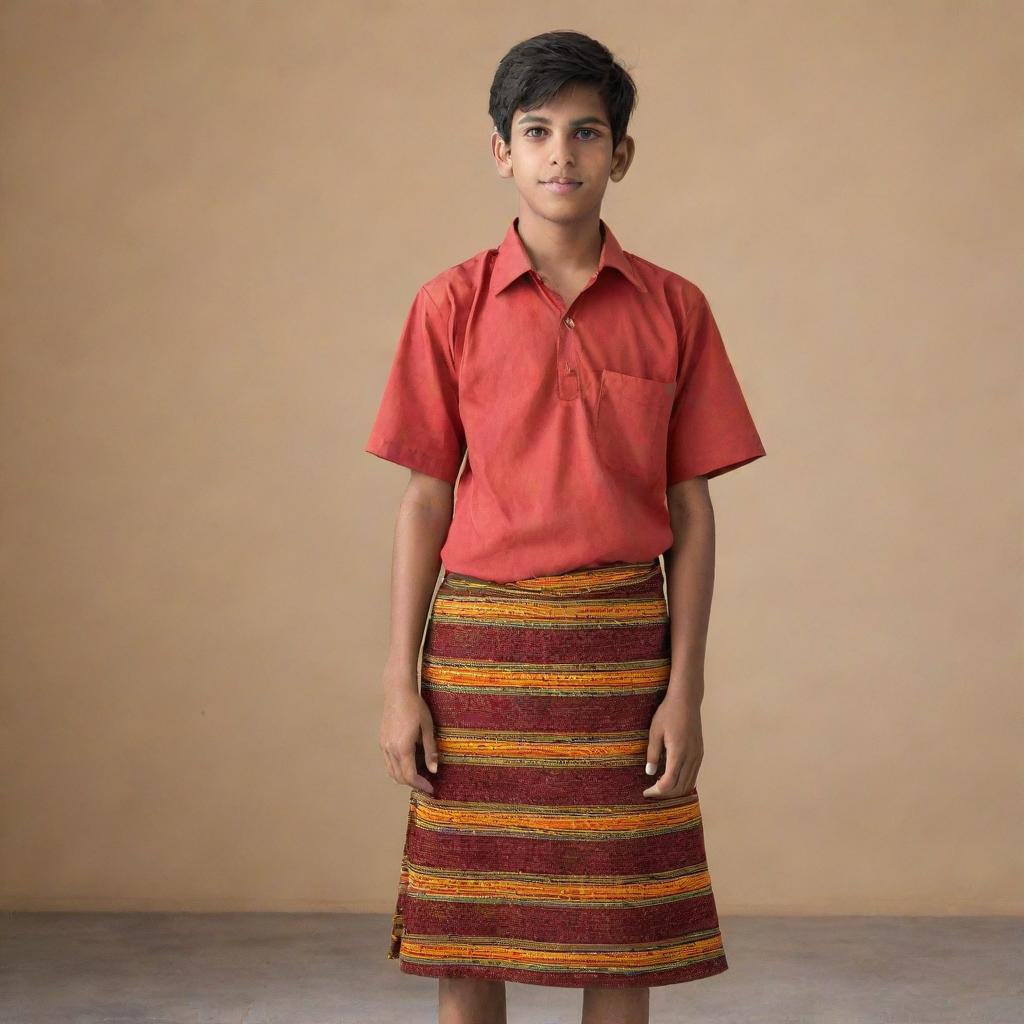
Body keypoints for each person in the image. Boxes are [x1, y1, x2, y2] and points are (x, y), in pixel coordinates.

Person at [364, 29, 766, 1024]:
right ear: (500, 150)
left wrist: (686, 691)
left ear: (619, 154)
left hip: (621, 656)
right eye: (536, 131)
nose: (561, 154)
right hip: (477, 660)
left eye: (586, 133)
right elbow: (425, 499)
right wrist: (396, 683)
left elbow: (690, 509)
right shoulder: (448, 306)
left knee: (620, 941)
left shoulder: (675, 308)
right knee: (468, 941)